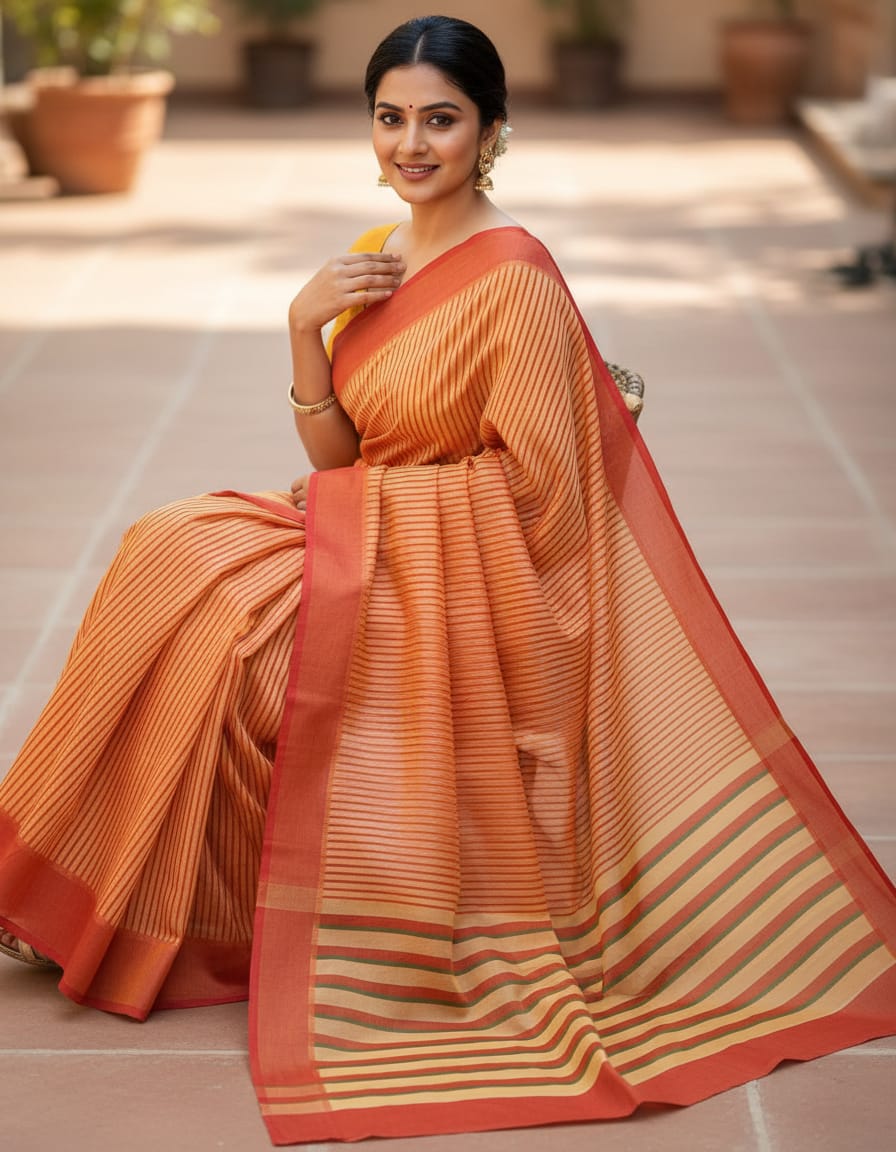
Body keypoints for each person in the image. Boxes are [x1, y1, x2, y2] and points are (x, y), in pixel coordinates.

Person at [1, 14, 895, 1147]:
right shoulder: (381, 252)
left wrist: (382, 517)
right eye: (390, 118)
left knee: (228, 631)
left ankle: (172, 907)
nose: (411, 144)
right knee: (168, 552)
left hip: (455, 591)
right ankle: (81, 891)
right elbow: (344, 455)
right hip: (370, 537)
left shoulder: (514, 277)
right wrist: (303, 329)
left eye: (440, 120)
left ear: (491, 131)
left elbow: (546, 502)